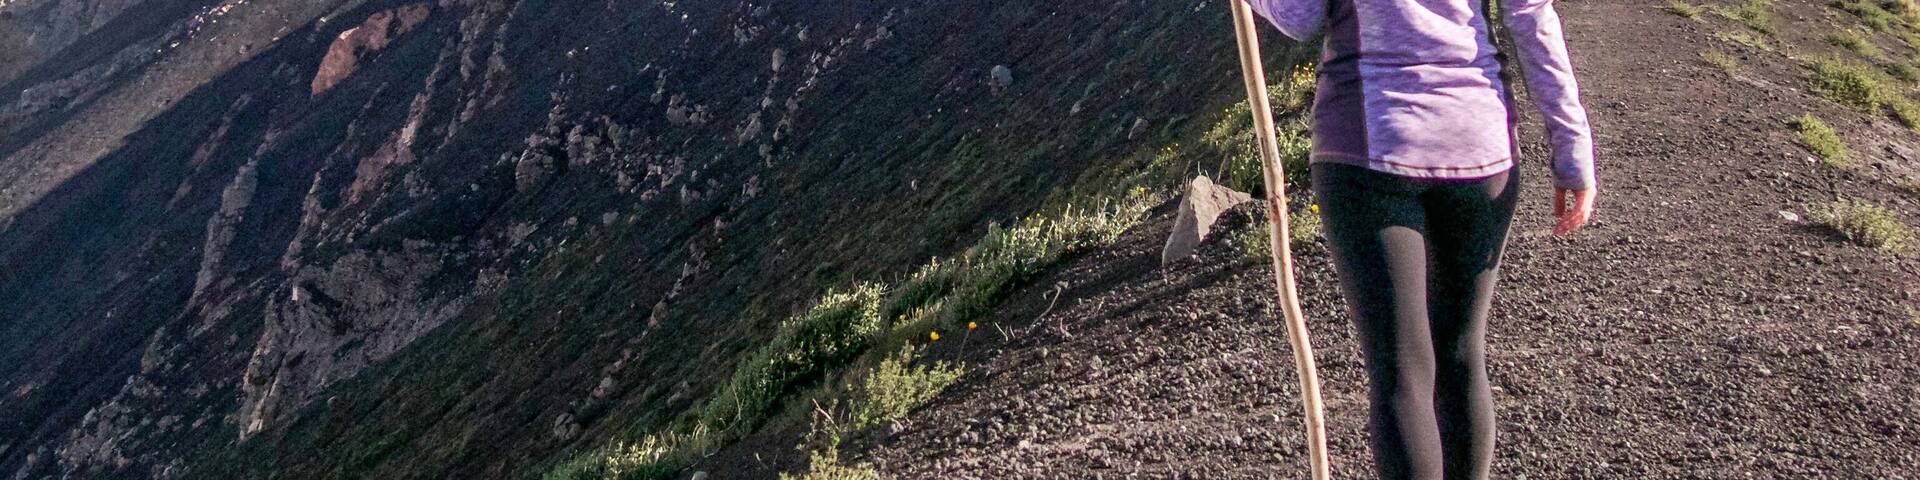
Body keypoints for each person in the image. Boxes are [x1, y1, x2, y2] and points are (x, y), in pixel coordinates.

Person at [1243, 0, 1598, 478]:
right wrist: (1572, 146)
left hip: (1370, 145)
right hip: (1480, 147)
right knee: (1461, 352)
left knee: (1402, 372)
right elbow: (1530, 16)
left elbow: (1299, 16)